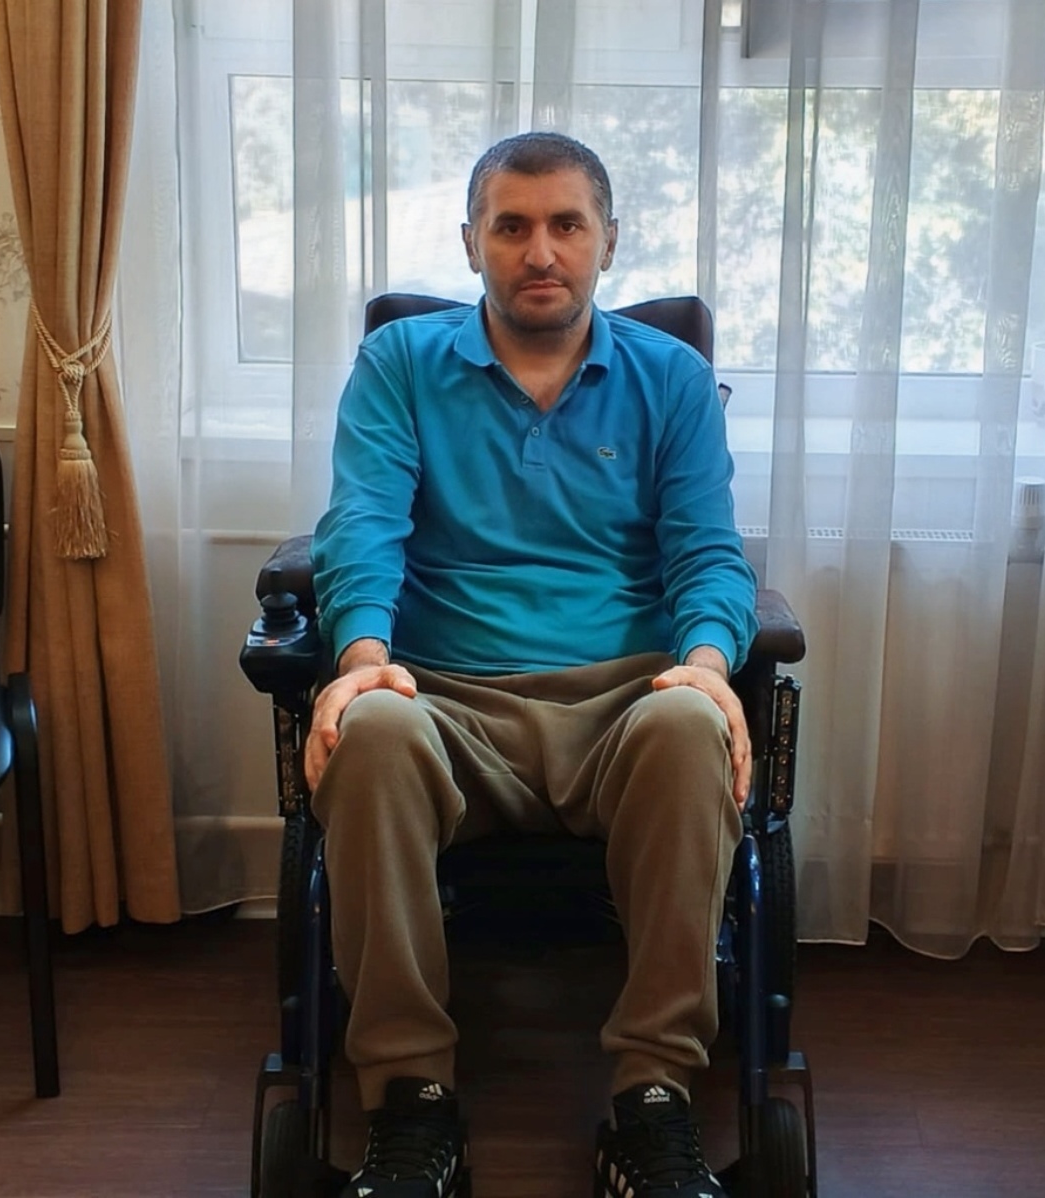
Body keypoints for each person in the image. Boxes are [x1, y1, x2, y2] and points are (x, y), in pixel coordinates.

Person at [306, 131, 758, 1198]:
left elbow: (707, 551)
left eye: (566, 225)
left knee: (692, 720)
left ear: (608, 240)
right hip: (444, 700)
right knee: (369, 724)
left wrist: (706, 664)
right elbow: (362, 524)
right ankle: (410, 1099)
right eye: (511, 226)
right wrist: (361, 656)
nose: (540, 251)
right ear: (472, 243)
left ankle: (654, 1098)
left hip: (625, 700)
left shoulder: (671, 378)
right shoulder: (401, 363)